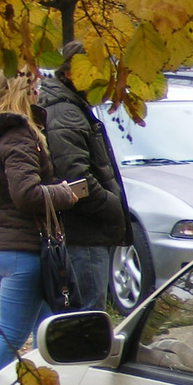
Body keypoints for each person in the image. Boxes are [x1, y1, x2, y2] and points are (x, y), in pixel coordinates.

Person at [0, 73, 87, 385]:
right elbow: (26, 195)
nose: (39, 91)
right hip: (23, 249)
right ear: (21, 90)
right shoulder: (17, 136)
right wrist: (66, 193)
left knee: (47, 325)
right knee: (13, 334)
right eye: (33, 86)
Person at [36, 41, 130, 308]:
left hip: (81, 233)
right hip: (83, 234)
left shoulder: (68, 106)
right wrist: (110, 205)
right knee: (86, 317)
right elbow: (75, 179)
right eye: (91, 71)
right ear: (69, 73)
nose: (98, 80)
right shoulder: (66, 112)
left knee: (73, 316)